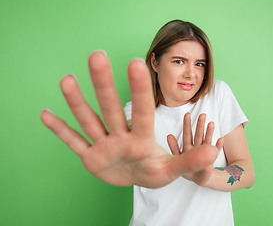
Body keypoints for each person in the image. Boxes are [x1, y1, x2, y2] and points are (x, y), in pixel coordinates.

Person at [41, 20, 255, 226]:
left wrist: (207, 177)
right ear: (154, 62)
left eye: (199, 64)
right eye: (179, 61)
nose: (191, 73)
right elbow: (130, 146)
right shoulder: (136, 112)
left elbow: (247, 172)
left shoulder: (217, 95)